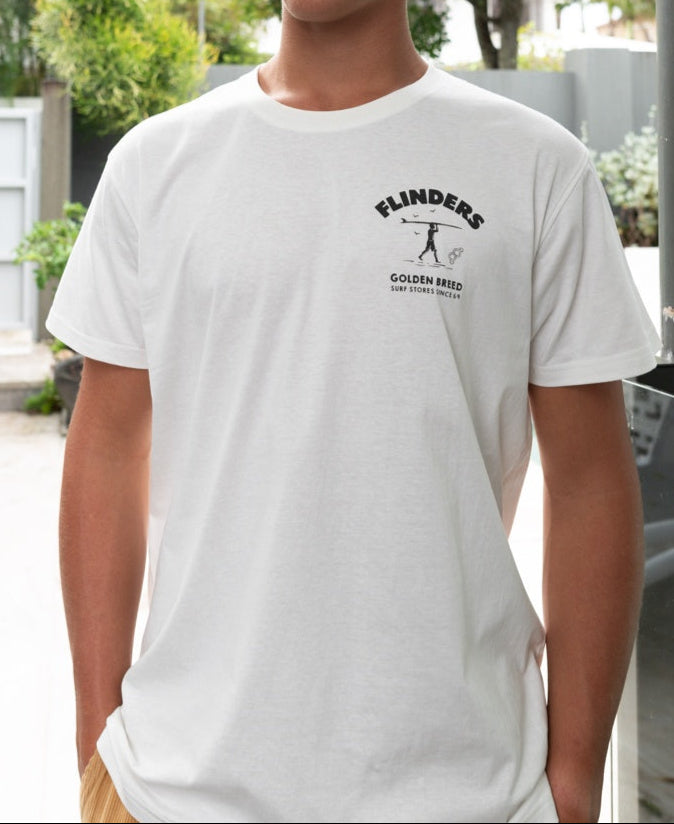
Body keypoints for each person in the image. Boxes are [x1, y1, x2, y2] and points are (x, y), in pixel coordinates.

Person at [46, 1, 662, 822]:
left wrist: (576, 777)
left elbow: (590, 484)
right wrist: (98, 740)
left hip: (468, 790)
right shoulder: (155, 166)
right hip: (171, 788)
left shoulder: (534, 165)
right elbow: (106, 451)